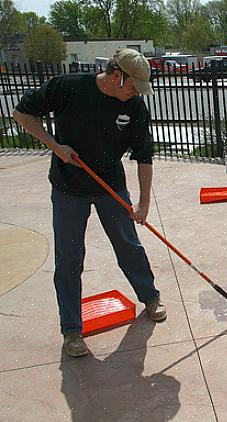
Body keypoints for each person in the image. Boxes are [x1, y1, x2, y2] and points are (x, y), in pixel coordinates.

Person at [12, 48, 166, 358]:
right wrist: (55, 146)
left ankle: (149, 297)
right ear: (116, 75)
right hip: (69, 189)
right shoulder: (69, 87)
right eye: (133, 85)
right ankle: (72, 330)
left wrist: (143, 204)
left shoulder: (134, 107)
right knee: (69, 258)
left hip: (110, 187)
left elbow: (144, 157)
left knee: (129, 245)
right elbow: (21, 112)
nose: (137, 93)